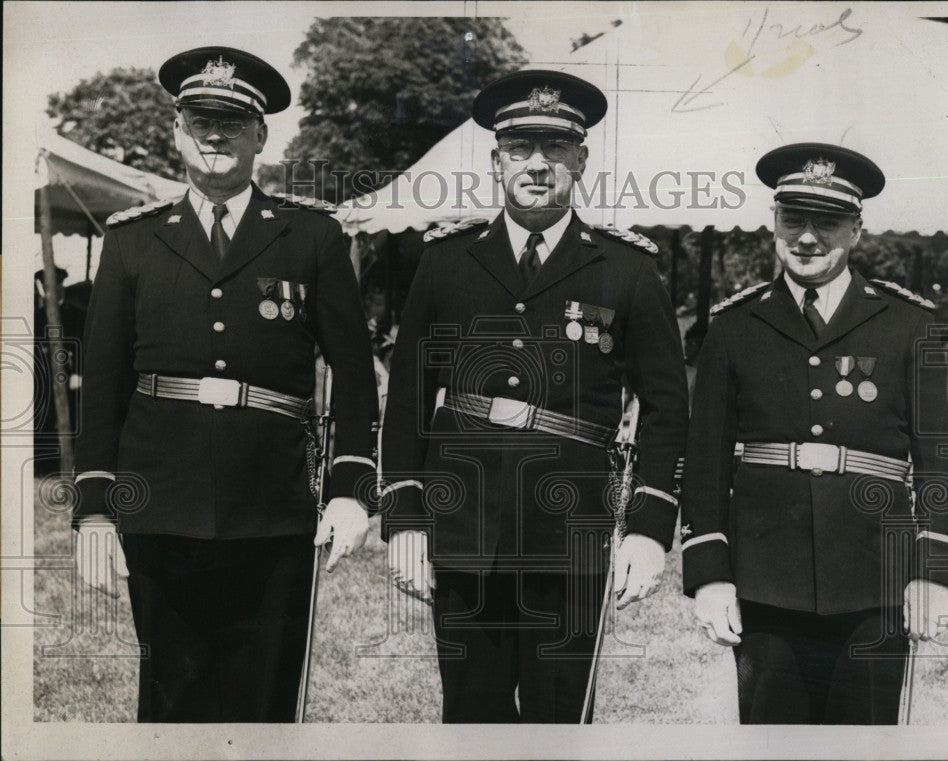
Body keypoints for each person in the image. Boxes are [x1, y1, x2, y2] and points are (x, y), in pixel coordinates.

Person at [72, 46, 378, 722]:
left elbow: (355, 380)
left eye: (232, 122)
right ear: (176, 131)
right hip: (161, 504)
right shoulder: (134, 241)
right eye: (199, 120)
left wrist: (352, 492)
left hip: (270, 506)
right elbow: (101, 388)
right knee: (171, 699)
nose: (214, 135)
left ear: (260, 135)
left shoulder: (312, 237)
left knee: (264, 703)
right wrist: (95, 506)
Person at [379, 70, 688, 723]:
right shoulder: (446, 260)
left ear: (580, 159)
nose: (538, 165)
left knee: (560, 716)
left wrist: (651, 528)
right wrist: (405, 519)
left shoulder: (626, 269)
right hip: (463, 525)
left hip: (569, 529)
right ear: (496, 161)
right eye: (521, 148)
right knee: (470, 712)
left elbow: (667, 407)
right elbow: (408, 395)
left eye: (555, 149)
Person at [681, 143, 948, 724]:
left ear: (856, 231)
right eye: (794, 219)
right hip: (765, 580)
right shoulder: (735, 326)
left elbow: (942, 457)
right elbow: (705, 460)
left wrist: (933, 570)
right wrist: (709, 576)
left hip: (875, 579)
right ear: (774, 222)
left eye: (827, 221)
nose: (807, 238)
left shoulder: (911, 325)